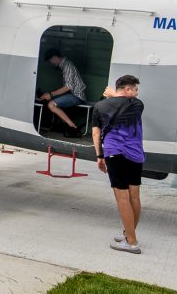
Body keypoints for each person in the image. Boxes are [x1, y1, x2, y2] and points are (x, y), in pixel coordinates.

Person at [91, 74, 145, 254]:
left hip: (115, 153)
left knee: (122, 198)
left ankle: (131, 242)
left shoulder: (99, 106)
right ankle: (129, 233)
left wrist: (100, 156)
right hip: (135, 154)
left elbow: (96, 135)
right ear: (128, 89)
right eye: (135, 89)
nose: (137, 93)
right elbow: (126, 103)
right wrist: (115, 95)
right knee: (134, 197)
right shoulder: (137, 105)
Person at [39, 49, 87, 138]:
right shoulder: (65, 65)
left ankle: (72, 127)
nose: (51, 63)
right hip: (72, 94)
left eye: (50, 61)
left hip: (76, 96)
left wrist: (51, 94)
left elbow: (68, 87)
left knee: (51, 105)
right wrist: (49, 94)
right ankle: (54, 126)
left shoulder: (67, 66)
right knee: (48, 98)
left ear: (54, 58)